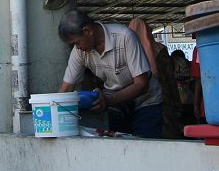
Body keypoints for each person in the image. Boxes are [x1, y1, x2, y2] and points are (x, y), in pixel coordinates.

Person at [56, 9, 162, 138]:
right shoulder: (79, 52)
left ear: (88, 31)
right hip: (116, 104)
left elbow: (142, 84)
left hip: (145, 102)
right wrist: (53, 109)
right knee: (119, 148)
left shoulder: (125, 37)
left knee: (145, 148)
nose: (77, 47)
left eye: (77, 42)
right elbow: (66, 88)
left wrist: (107, 100)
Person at [128, 17, 184, 139]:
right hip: (164, 101)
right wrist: (178, 105)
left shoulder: (129, 54)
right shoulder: (160, 50)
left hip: (139, 103)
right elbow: (170, 79)